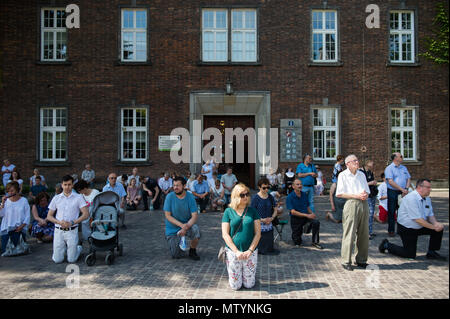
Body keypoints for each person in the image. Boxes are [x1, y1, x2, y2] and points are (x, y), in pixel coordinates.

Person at [379, 179, 446, 261]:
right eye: (428, 187)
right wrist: (433, 227)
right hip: (407, 228)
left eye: (430, 187)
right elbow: (418, 220)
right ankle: (387, 245)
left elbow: (430, 214)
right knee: (409, 255)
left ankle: (432, 252)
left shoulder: (427, 198)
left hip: (420, 226)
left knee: (439, 229)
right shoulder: (411, 198)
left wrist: (436, 224)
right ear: (419, 187)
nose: (430, 189)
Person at [221, 183, 261, 290]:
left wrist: (250, 250)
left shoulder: (253, 211)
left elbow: (258, 233)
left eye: (247, 194)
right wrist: (236, 251)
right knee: (235, 286)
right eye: (242, 195)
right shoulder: (228, 211)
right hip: (233, 252)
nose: (245, 197)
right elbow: (225, 234)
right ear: (235, 196)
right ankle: (238, 277)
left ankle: (248, 276)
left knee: (249, 285)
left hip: (250, 252)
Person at [336, 154, 370, 271]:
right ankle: (346, 260)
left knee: (364, 233)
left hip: (363, 204)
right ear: (347, 164)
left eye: (357, 160)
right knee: (349, 232)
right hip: (351, 203)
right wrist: (356, 195)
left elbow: (367, 190)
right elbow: (339, 193)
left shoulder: (362, 174)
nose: (357, 162)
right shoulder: (343, 175)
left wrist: (365, 194)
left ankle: (361, 259)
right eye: (354, 160)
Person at [46, 175, 89, 263]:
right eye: (65, 185)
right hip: (59, 230)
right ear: (61, 185)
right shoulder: (56, 198)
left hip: (72, 230)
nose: (67, 187)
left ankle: (78, 248)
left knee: (71, 260)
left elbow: (86, 214)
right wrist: (59, 222)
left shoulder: (78, 197)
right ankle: (62, 250)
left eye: (69, 184)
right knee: (58, 260)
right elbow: (49, 216)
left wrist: (72, 222)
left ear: (72, 185)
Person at [163, 176, 201, 260]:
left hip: (187, 225)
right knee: (176, 255)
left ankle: (192, 250)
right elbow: (167, 215)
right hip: (173, 228)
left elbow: (194, 216)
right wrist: (181, 226)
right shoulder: (169, 197)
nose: (175, 187)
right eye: (174, 185)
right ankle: (178, 243)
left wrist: (185, 227)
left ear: (184, 186)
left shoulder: (190, 197)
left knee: (195, 229)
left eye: (178, 185)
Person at [286, 178, 323, 249]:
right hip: (295, 219)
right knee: (297, 242)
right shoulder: (290, 197)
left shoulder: (304, 195)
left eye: (300, 184)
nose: (300, 186)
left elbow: (307, 207)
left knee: (316, 222)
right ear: (293, 186)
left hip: (305, 217)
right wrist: (307, 215)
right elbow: (292, 212)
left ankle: (315, 242)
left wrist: (312, 214)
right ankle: (298, 235)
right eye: (297, 184)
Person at [384, 152, 411, 237]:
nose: (402, 157)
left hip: (403, 192)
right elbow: (391, 182)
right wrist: (402, 189)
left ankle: (401, 230)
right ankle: (391, 230)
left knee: (402, 211)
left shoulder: (404, 168)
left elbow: (408, 178)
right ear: (395, 158)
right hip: (392, 192)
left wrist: (406, 189)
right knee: (392, 211)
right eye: (401, 156)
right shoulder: (389, 168)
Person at [251, 178, 280, 255]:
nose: (266, 189)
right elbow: (252, 213)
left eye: (268, 187)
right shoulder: (255, 198)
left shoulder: (270, 197)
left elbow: (275, 209)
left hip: (269, 222)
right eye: (264, 188)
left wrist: (272, 218)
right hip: (259, 223)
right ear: (259, 187)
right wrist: (262, 220)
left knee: (269, 240)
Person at [0, 181, 30, 254]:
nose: (10, 193)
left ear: (17, 190)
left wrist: (22, 226)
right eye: (8, 191)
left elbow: (27, 216)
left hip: (19, 228)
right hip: (7, 228)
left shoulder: (24, 200)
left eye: (12, 191)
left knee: (16, 249)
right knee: (5, 251)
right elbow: (1, 214)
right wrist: (2, 204)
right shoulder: (6, 201)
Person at [359, 160, 378, 240]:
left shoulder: (370, 172)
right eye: (371, 163)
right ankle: (366, 232)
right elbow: (360, 184)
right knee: (368, 214)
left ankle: (369, 231)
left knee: (371, 213)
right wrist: (371, 183)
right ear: (367, 163)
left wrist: (373, 183)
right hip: (366, 195)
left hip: (372, 194)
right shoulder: (361, 172)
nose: (373, 164)